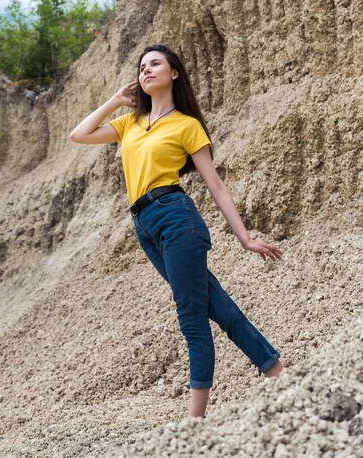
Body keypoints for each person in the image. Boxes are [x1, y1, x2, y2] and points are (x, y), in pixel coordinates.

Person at [69, 44, 284, 418]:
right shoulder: (130, 123)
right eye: (141, 67)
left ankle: (194, 421)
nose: (146, 70)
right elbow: (79, 134)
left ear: (174, 74)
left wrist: (244, 237)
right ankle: (276, 372)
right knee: (216, 305)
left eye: (155, 64)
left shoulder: (187, 125)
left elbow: (215, 184)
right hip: (143, 225)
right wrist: (115, 100)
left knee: (191, 316)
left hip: (174, 216)